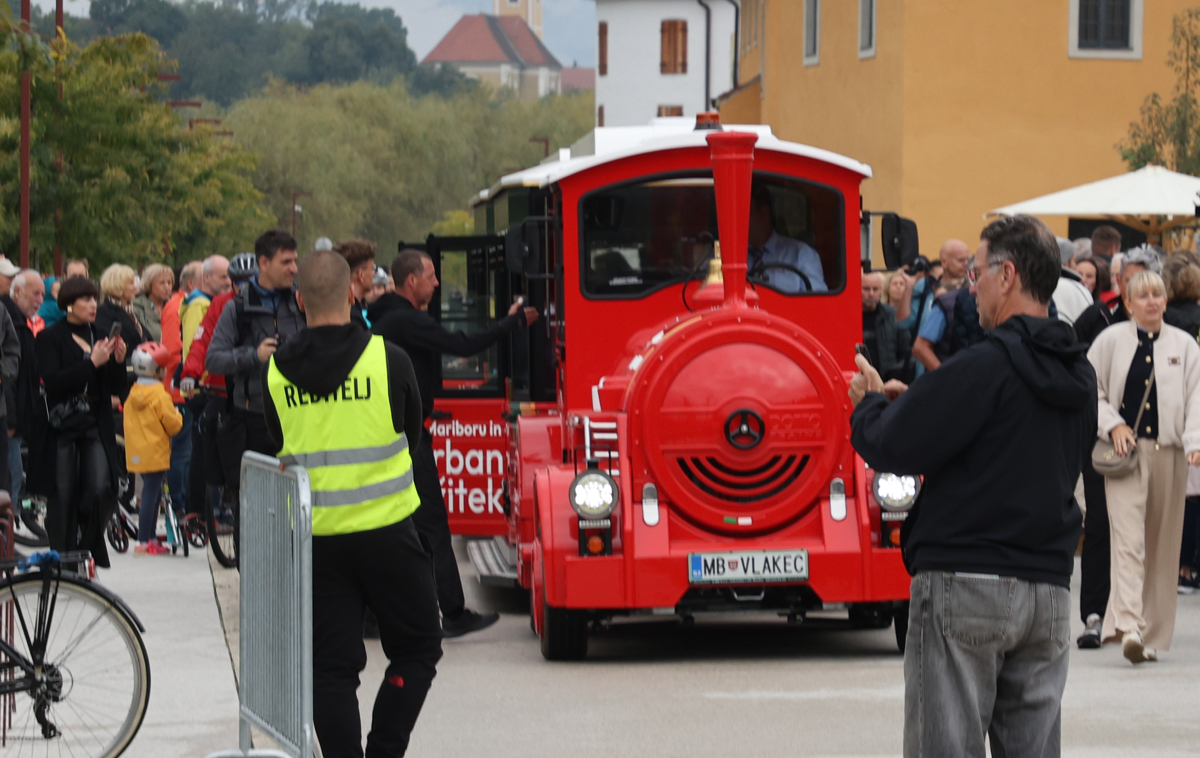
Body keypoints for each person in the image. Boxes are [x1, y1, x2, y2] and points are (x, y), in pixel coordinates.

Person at [849, 215, 1095, 757]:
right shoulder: (1079, 375)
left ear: (1007, 276)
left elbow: (892, 446)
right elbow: (1020, 445)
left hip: (968, 581)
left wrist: (868, 404)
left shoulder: (984, 365)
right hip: (1048, 590)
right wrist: (911, 407)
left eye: (976, 273)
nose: (969, 286)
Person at [262, 250, 441, 757]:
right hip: (388, 534)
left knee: (330, 669)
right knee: (418, 648)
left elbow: (279, 444)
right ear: (351, 293)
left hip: (316, 541)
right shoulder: (389, 359)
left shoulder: (275, 370)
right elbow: (412, 435)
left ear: (298, 301)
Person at [372, 248, 537, 637]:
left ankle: (375, 614)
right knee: (431, 523)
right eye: (431, 275)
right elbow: (462, 345)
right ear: (411, 281)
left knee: (394, 526)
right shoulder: (406, 320)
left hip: (390, 431)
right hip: (406, 437)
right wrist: (510, 324)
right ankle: (454, 612)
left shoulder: (383, 316)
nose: (437, 282)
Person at [1089, 269, 1200, 663]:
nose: (1152, 300)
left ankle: (1151, 633)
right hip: (1124, 456)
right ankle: (1130, 626)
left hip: (1170, 453)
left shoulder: (1185, 345)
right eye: (1143, 295)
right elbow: (1091, 389)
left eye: (1158, 294)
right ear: (1129, 303)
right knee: (1129, 541)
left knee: (1163, 544)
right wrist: (1113, 424)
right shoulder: (1109, 341)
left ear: (1166, 300)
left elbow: (1196, 397)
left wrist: (1195, 442)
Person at [1072, 249, 1158, 649]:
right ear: (1120, 284)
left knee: (1143, 530)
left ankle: (1134, 617)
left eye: (1145, 282)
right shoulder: (1098, 319)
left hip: (1153, 443)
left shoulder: (1164, 331)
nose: (1139, 291)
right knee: (1101, 525)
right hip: (1104, 439)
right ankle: (1094, 614)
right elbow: (1079, 373)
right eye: (1131, 281)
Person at [33, 276, 127, 568]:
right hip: (62, 424)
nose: (92, 305)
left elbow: (116, 386)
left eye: (93, 299)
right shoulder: (50, 337)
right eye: (85, 300)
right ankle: (63, 560)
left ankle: (85, 549)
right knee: (62, 495)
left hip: (95, 422)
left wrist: (118, 362)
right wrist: (91, 363)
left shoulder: (99, 334)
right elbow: (53, 381)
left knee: (101, 489)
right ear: (69, 306)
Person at [206, 230, 303, 501]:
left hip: (298, 418)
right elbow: (213, 359)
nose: (294, 268)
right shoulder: (237, 308)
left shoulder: (301, 302)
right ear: (263, 263)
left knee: (297, 505)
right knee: (254, 507)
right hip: (253, 420)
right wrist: (252, 356)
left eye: (295, 261)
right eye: (286, 262)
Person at [180, 252, 259, 517]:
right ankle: (200, 509)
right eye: (237, 282)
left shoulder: (272, 304)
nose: (243, 287)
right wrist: (190, 373)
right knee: (206, 437)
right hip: (223, 387)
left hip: (258, 390)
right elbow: (202, 340)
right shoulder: (221, 304)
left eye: (250, 280)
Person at [124, 342, 183, 556]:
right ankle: (143, 540)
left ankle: (148, 537)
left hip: (138, 451)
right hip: (156, 450)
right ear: (158, 371)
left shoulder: (133, 393)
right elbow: (172, 425)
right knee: (151, 495)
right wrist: (178, 415)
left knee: (152, 493)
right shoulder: (159, 395)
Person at [163, 261, 202, 516]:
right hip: (180, 392)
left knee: (188, 452)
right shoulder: (178, 306)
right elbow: (171, 349)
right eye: (206, 277)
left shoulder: (188, 304)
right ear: (190, 283)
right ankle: (178, 504)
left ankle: (185, 501)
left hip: (189, 388)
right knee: (181, 452)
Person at [3, 270, 45, 501]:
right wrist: (10, 418)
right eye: (35, 293)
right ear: (17, 291)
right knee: (11, 481)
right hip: (9, 418)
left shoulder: (22, 324)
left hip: (18, 418)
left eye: (42, 294)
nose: (39, 299)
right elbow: (7, 376)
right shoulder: (10, 322)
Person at [746, 182, 827, 293]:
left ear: (764, 213)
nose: (736, 221)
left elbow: (818, 304)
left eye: (745, 213)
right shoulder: (724, 255)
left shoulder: (801, 255)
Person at [95, 263, 145, 395]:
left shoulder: (129, 311)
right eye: (131, 283)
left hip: (136, 380)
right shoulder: (105, 312)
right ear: (117, 286)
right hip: (120, 383)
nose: (135, 287)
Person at [861, 271, 909, 381]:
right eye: (866, 289)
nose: (871, 293)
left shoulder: (891, 316)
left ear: (881, 290)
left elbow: (905, 350)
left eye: (875, 289)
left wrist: (896, 376)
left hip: (887, 381)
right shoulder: (850, 317)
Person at [333, 239, 378, 329]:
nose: (374, 273)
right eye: (372, 268)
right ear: (361, 275)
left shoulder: (335, 309)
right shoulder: (352, 318)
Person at [1051, 237, 1093, 326]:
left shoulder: (1034, 285)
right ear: (1066, 262)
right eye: (1073, 260)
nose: (1075, 265)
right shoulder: (1079, 289)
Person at [132, 264, 174, 343]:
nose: (167, 287)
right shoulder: (136, 308)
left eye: (169, 283)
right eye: (162, 283)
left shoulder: (175, 307)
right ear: (149, 284)